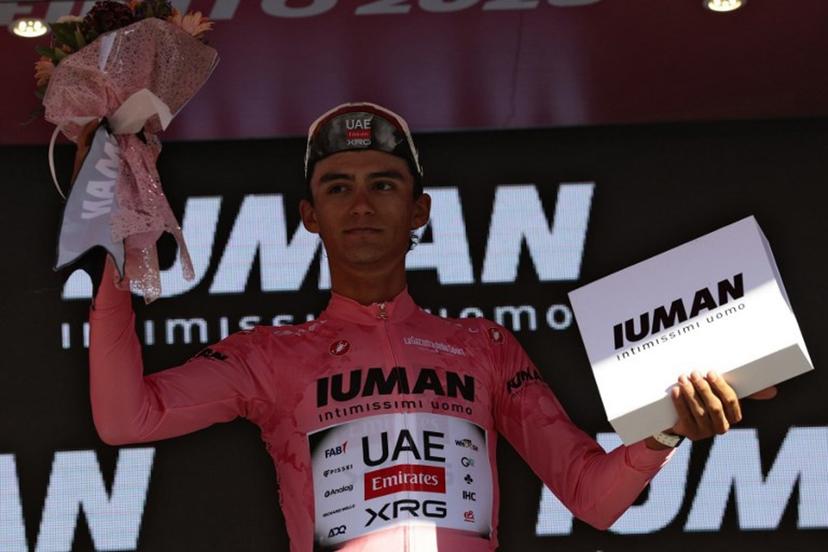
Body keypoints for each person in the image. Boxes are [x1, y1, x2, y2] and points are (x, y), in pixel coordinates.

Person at [88, 102, 774, 551]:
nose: (360, 204)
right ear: (308, 215)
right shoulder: (269, 356)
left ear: (419, 211)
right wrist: (122, 254)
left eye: (383, 185)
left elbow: (593, 499)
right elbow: (127, 419)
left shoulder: (483, 347)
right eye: (338, 187)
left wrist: (665, 430)